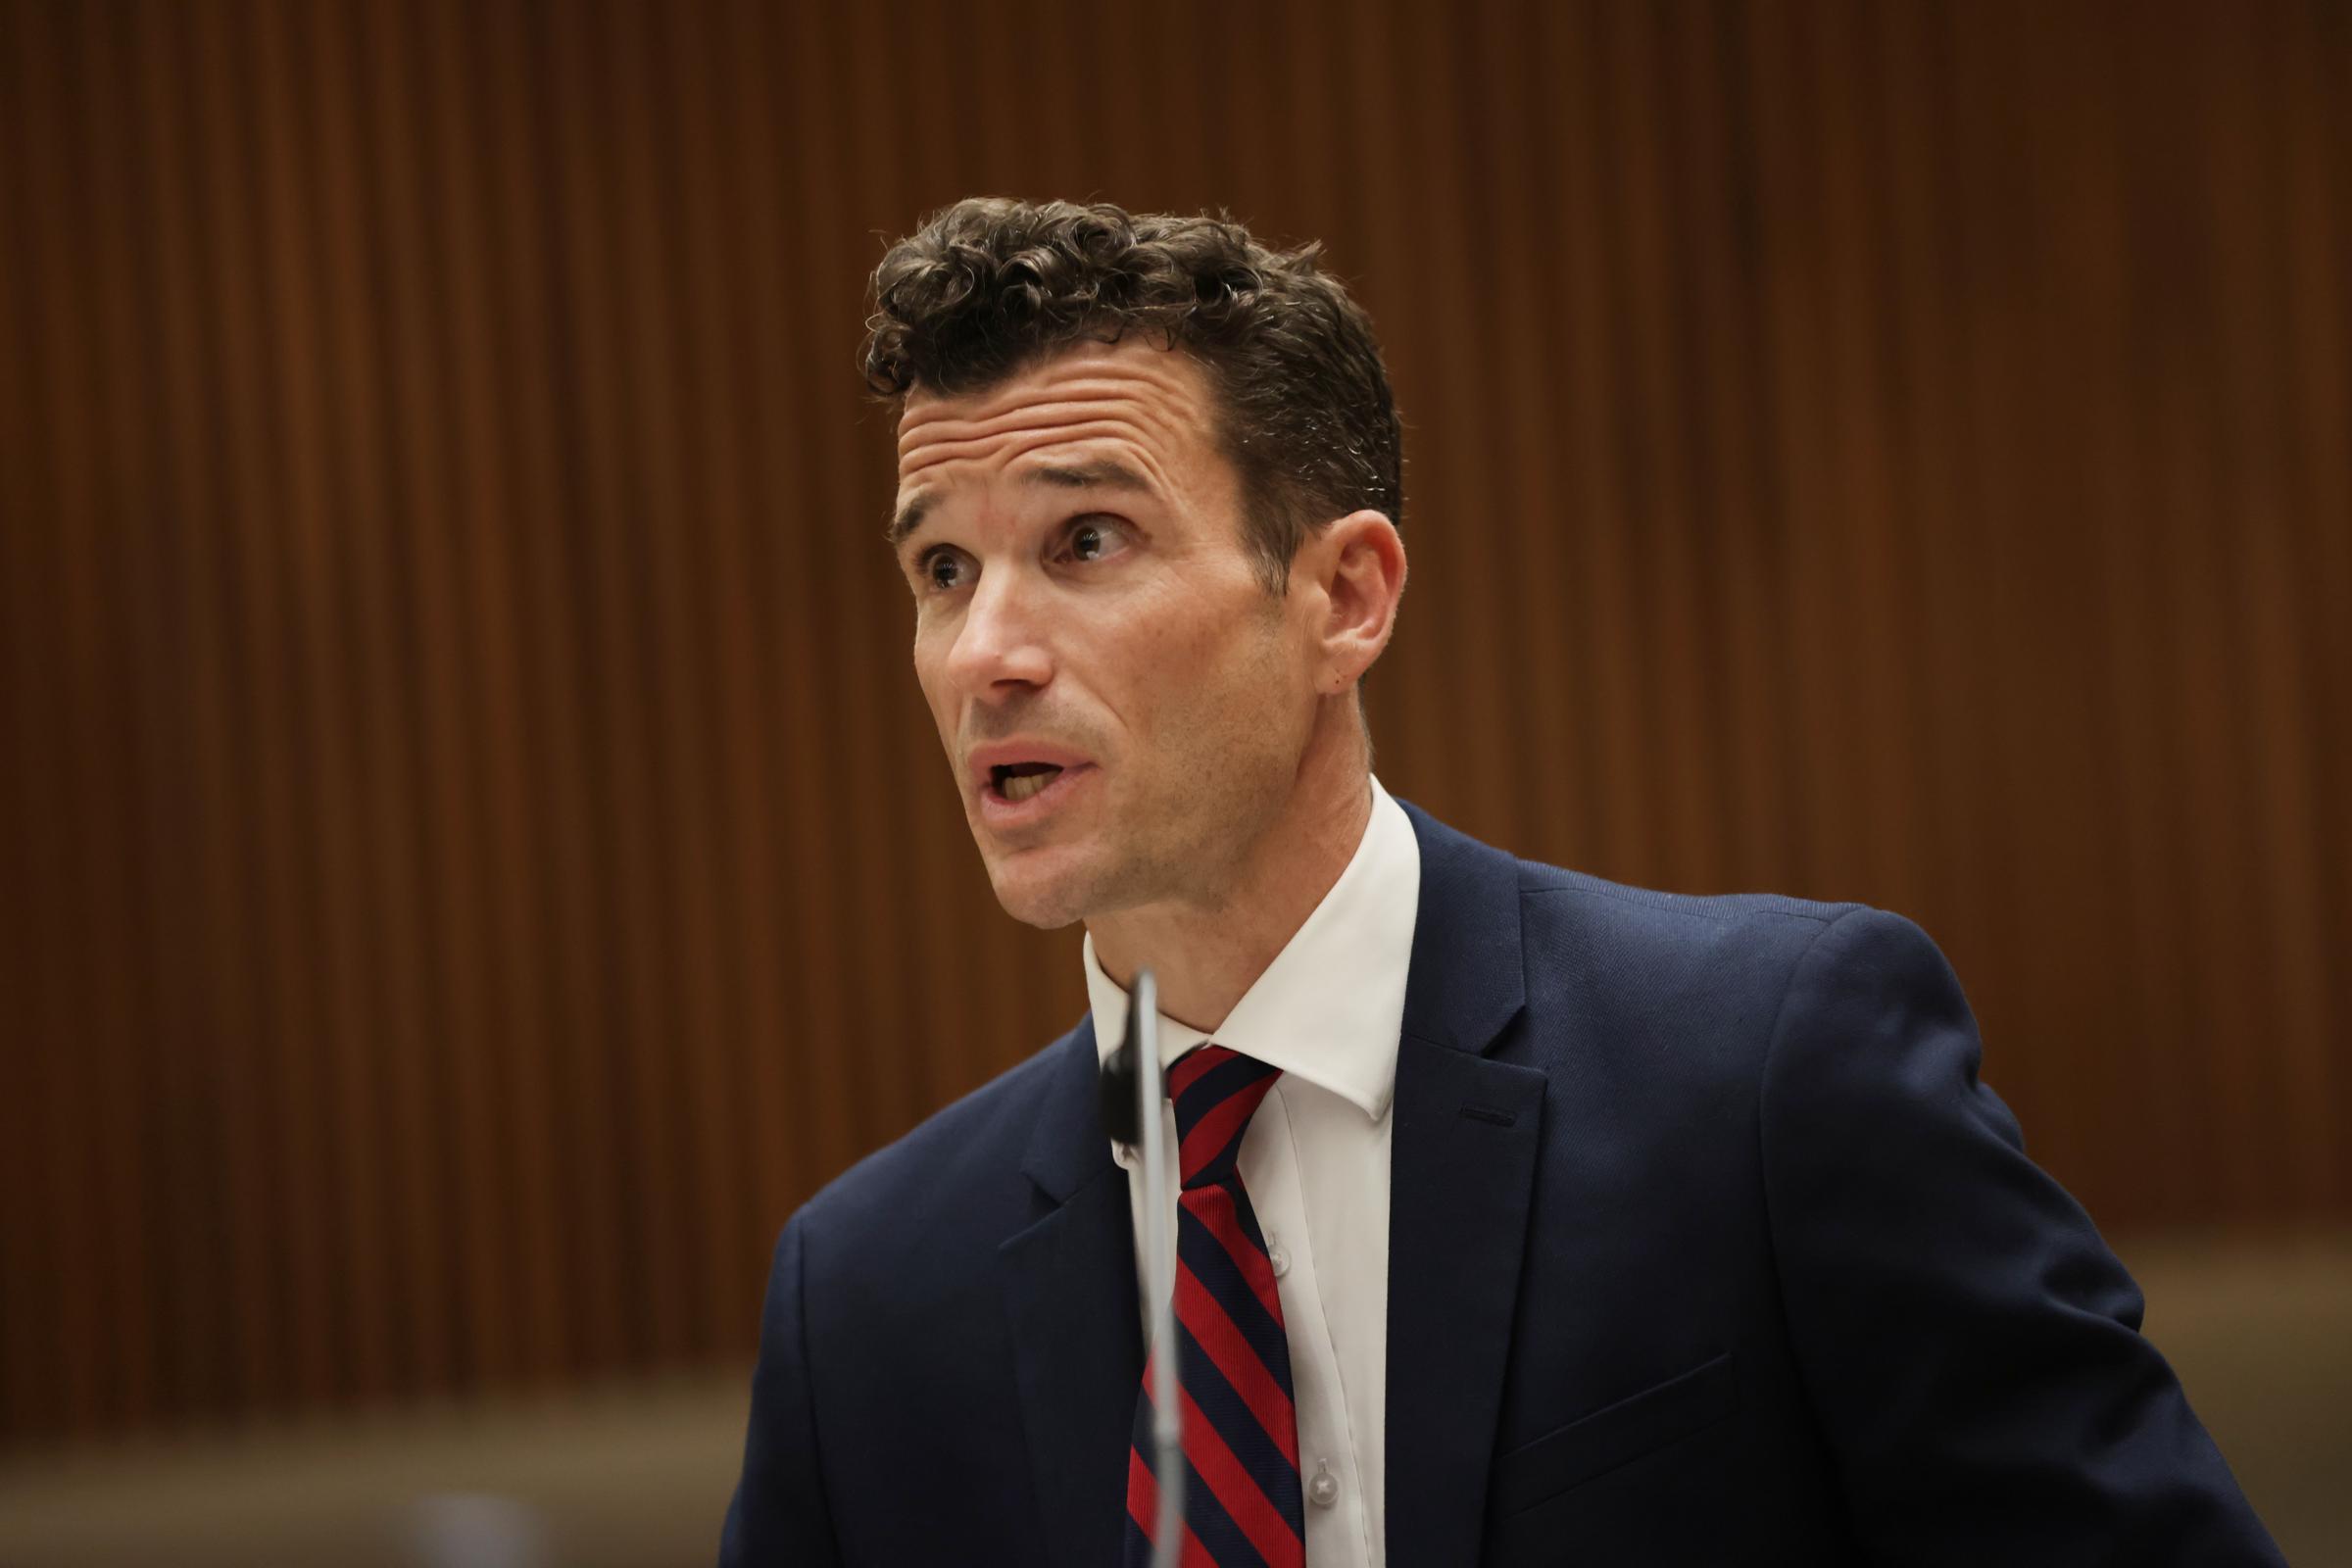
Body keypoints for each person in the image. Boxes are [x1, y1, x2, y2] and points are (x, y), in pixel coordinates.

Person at [718, 198, 2280, 1568]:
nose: (986, 651)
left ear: (1344, 596)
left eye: (1088, 539)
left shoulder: (1765, 1080)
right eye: (943, 572)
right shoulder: (863, 1304)